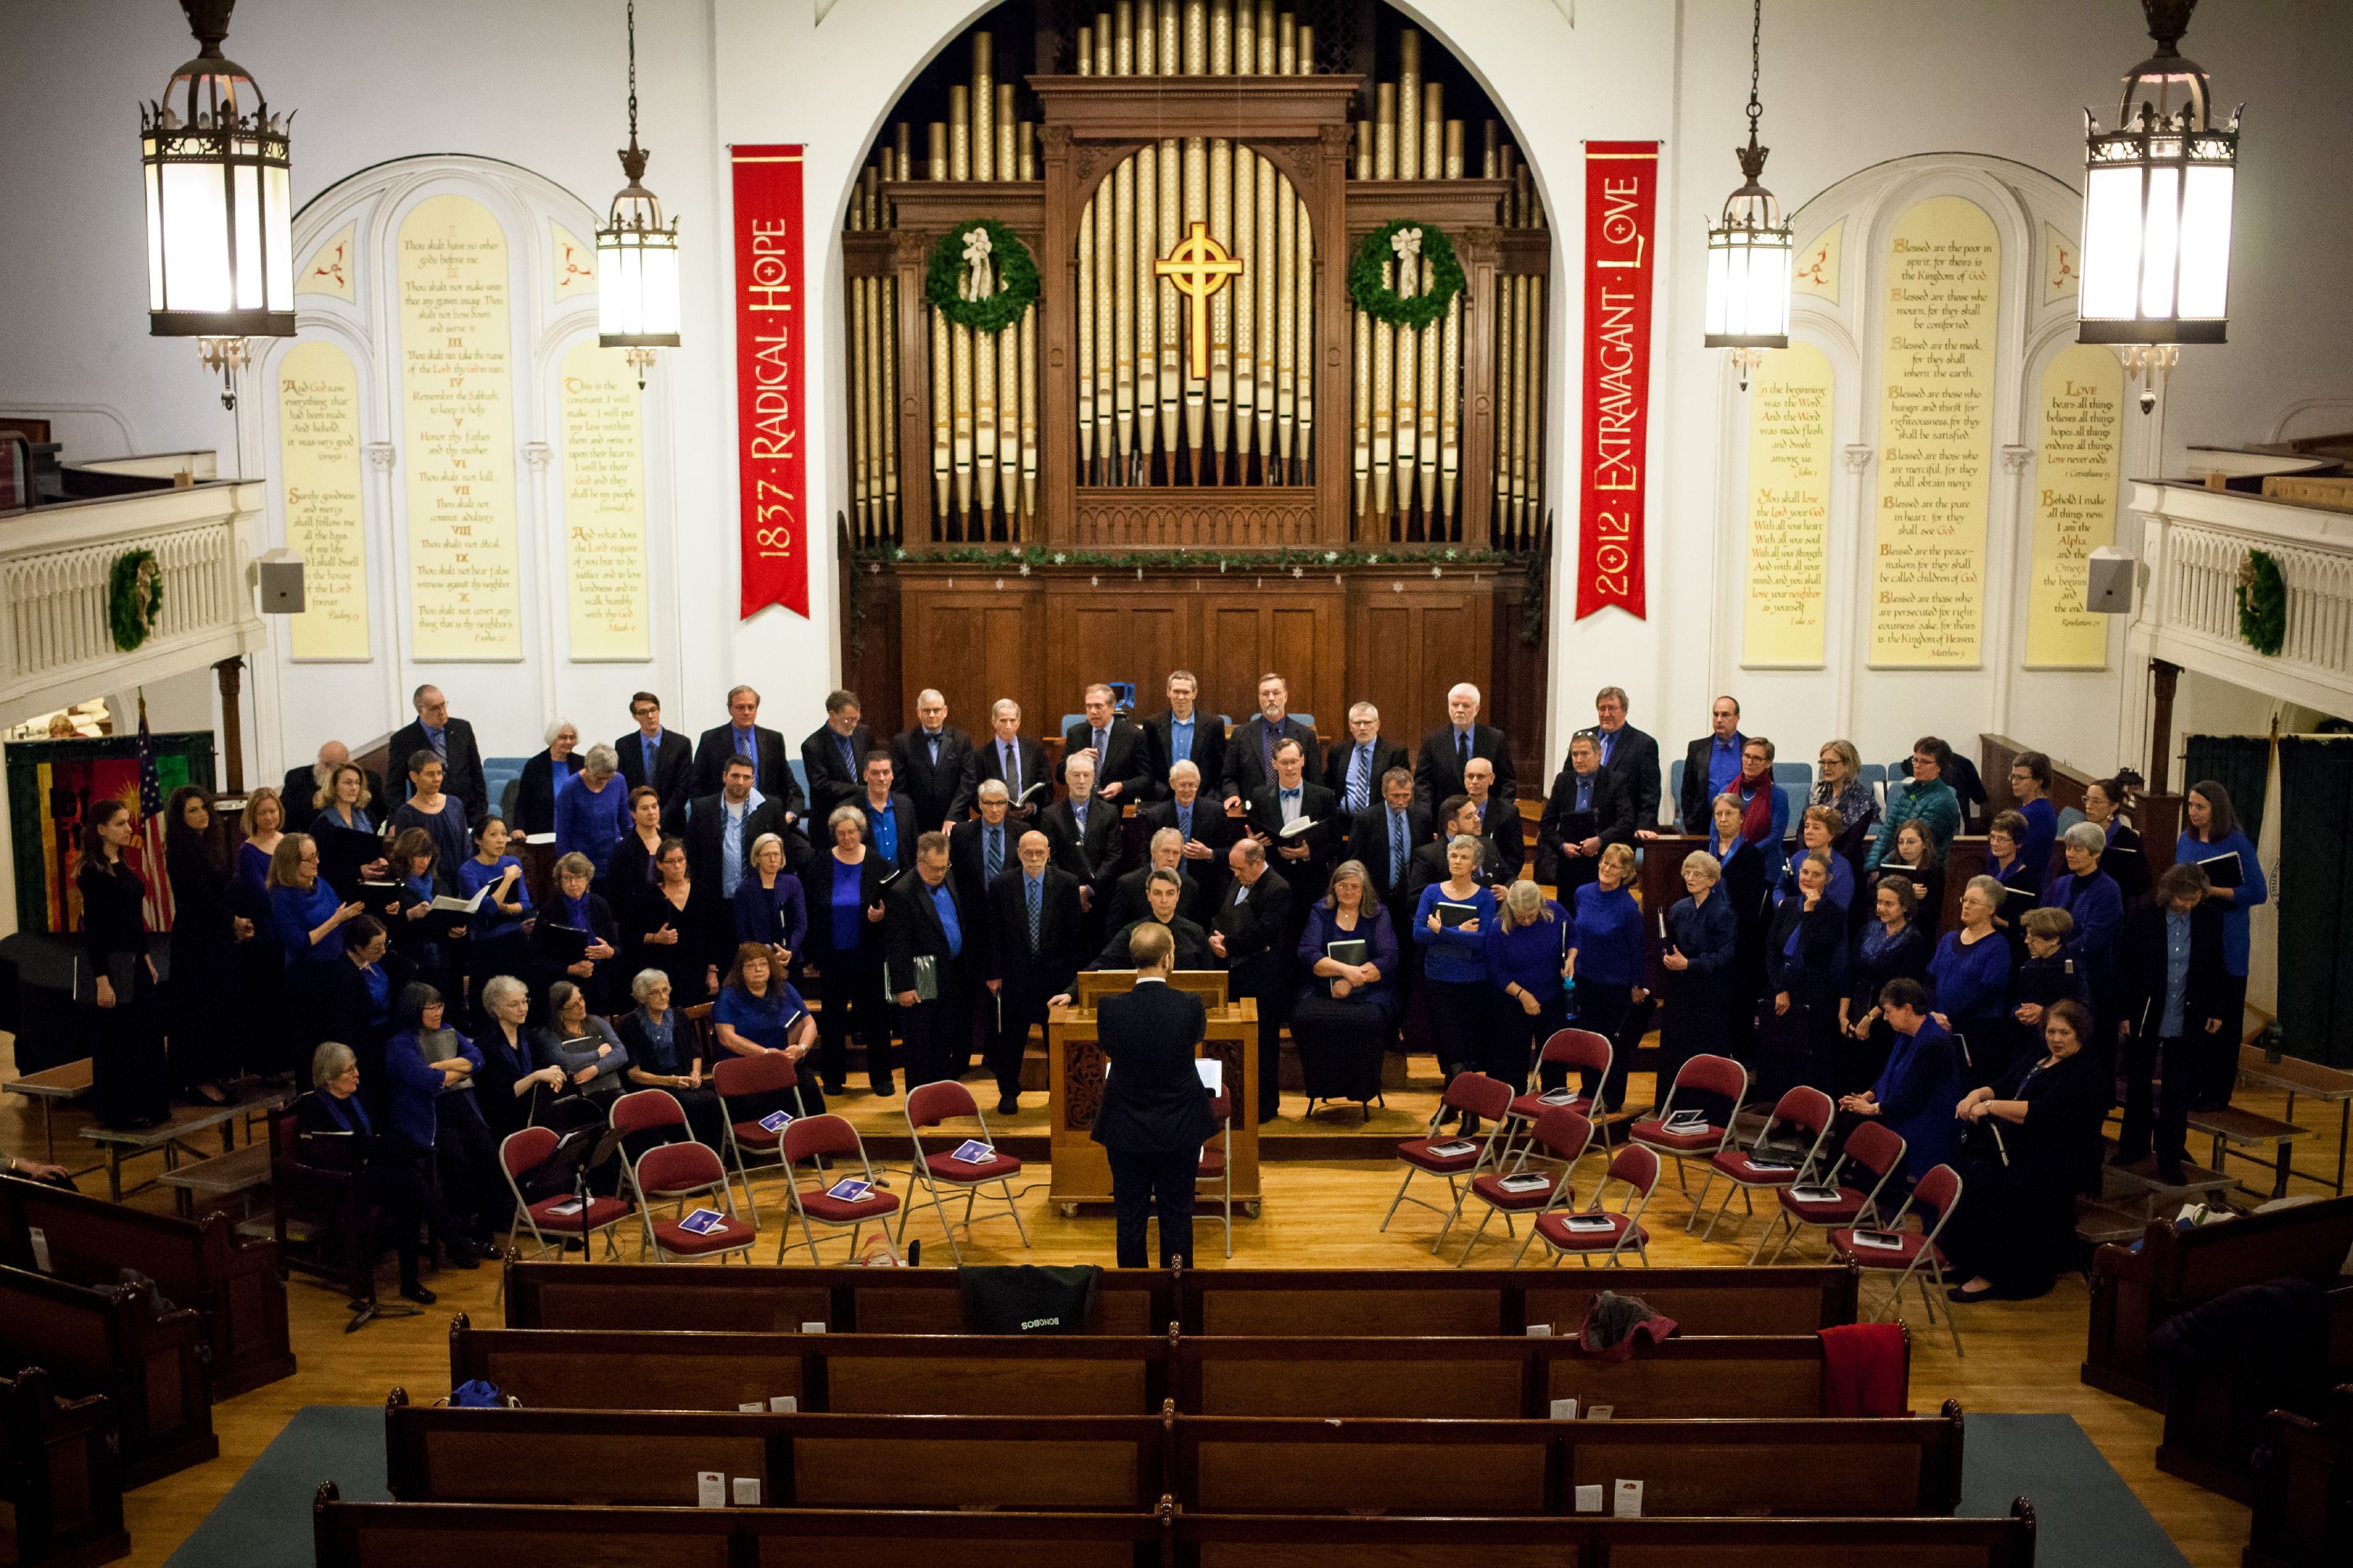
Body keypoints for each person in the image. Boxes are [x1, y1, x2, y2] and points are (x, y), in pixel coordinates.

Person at [1944, 999, 2109, 1301]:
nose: (2056, 1039)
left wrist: (1990, 1106)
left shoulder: (2086, 1071)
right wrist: (1975, 1094)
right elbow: (2004, 1083)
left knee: (1997, 1185)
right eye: (2051, 1032)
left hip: (2060, 1158)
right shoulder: (2039, 1056)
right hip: (2025, 1146)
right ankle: (1969, 1259)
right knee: (1969, 1171)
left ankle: (1996, 1274)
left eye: (2064, 1033)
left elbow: (2043, 1113)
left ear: (2080, 1034)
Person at [294, 1041, 478, 1305]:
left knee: (409, 1195)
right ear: (330, 1077)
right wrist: (373, 1146)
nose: (357, 1074)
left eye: (355, 1067)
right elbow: (324, 1153)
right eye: (349, 1071)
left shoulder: (359, 1097)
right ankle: (452, 1236)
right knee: (409, 1179)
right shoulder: (313, 1106)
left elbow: (379, 1135)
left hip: (372, 1172)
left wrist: (376, 1146)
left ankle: (410, 1282)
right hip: (341, 1182)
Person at [1091, 923, 1217, 1268]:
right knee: (1177, 1217)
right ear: (1167, 958)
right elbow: (1191, 1041)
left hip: (1126, 1128)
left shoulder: (1110, 1010)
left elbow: (1111, 1048)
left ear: (1135, 960)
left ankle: (1135, 1299)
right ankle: (1175, 1296)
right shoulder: (1190, 1005)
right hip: (1179, 1127)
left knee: (1129, 1217)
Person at [2115, 863, 2230, 1182]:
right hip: (2147, 1010)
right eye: (2182, 899)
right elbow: (2125, 967)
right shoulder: (2143, 915)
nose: (2187, 905)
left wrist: (2217, 1011)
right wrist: (2124, 1013)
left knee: (2177, 1090)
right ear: (2168, 893)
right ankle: (2133, 1147)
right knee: (2138, 1081)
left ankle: (2170, 1159)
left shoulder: (2209, 919)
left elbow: (2217, 967)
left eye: (2194, 899)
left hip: (2187, 1010)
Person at [385, 982, 504, 1247]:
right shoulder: (399, 1044)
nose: (438, 1012)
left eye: (440, 1006)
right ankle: (459, 1238)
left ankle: (483, 1232)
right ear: (414, 1010)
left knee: (492, 1160)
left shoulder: (450, 1031)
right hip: (429, 1116)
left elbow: (479, 1058)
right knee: (460, 1166)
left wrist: (443, 1067)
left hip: (462, 1105)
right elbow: (427, 1080)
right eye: (431, 1008)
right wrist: (460, 1071)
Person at [2176, 778, 2266, 1106]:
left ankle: (2216, 1094)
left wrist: (2211, 891)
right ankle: (2189, 1087)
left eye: (2201, 806)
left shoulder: (2237, 842)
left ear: (2218, 809)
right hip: (2193, 935)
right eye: (2191, 805)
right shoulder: (2185, 839)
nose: (2194, 811)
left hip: (2228, 940)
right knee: (2194, 1020)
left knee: (2223, 1025)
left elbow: (2258, 892)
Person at [78, 799, 166, 1129]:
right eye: (120, 823)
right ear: (101, 830)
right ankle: (120, 1110)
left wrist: (146, 958)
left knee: (145, 1033)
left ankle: (148, 1102)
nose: (129, 829)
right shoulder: (92, 872)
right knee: (120, 1040)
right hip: (112, 963)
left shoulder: (123, 864)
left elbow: (132, 920)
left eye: (128, 822)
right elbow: (96, 931)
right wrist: (101, 978)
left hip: (133, 959)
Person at [984, 830, 1086, 1114]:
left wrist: (1071, 982)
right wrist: (993, 973)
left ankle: (1059, 1092)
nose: (1034, 858)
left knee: (1056, 1040)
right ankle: (1008, 1093)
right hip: (1013, 976)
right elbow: (992, 932)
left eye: (1039, 853)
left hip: (1054, 979)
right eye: (1028, 853)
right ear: (1018, 854)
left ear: (1049, 853)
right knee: (1010, 1040)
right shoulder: (1001, 885)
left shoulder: (1066, 884)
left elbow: (1074, 935)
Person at [1290, 860, 1399, 1113]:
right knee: (1304, 1017)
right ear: (1334, 887)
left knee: (1369, 1021)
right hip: (1322, 989)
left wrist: (1350, 981)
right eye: (1342, 886)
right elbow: (1308, 953)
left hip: (1370, 992)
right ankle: (1321, 1085)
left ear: (1365, 890)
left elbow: (1388, 957)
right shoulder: (1321, 911)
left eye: (1354, 887)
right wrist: (1346, 971)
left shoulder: (1379, 913)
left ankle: (1362, 1087)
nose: (1348, 892)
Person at [164, 784, 248, 1104]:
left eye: (203, 808)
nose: (201, 815)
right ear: (180, 817)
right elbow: (200, 898)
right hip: (196, 937)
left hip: (213, 934)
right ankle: (198, 1079)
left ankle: (212, 1073)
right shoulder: (182, 850)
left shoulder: (206, 843)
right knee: (198, 1008)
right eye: (192, 810)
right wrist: (233, 920)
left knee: (216, 1005)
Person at [802, 805, 893, 1097]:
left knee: (877, 1018)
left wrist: (882, 916)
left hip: (869, 955)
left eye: (852, 832)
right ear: (834, 835)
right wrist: (814, 954)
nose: (847, 838)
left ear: (860, 832)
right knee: (833, 1019)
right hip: (833, 956)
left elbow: (891, 906)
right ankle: (833, 1078)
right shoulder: (820, 864)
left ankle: (881, 1079)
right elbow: (812, 913)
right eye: (841, 833)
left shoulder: (879, 864)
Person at [1838, 977, 1962, 1182]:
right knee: (1852, 1118)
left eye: (1888, 1012)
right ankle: (1837, 1189)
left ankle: (1838, 1192)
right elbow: (1891, 1073)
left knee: (1859, 1125)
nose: (1885, 1018)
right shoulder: (1908, 1033)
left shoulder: (1933, 1043)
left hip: (1922, 1121)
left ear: (1907, 1009)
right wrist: (1869, 1095)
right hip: (1901, 1108)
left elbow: (1915, 1098)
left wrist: (1873, 1108)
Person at [1413, 833, 1497, 1125]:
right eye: (1453, 855)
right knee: (1448, 1043)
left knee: (1465, 1044)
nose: (1457, 861)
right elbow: (1418, 934)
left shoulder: (1485, 897)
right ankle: (1463, 1107)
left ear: (1475, 863)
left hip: (1472, 980)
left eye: (1463, 857)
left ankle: (1459, 1105)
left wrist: (1443, 931)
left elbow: (1482, 941)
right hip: (1438, 978)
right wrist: (1460, 931)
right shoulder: (1431, 893)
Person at [1209, 838, 1293, 1124]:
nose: (1235, 874)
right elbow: (1227, 914)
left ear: (1256, 864)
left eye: (1239, 869)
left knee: (1263, 1044)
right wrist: (1217, 937)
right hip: (1236, 973)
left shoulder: (1278, 888)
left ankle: (1264, 1107)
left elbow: (1264, 932)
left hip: (1263, 979)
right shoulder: (1241, 879)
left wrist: (1229, 945)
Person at [270, 833, 365, 1076]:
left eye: (317, 855)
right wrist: (335, 920)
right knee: (311, 1047)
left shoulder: (322, 885)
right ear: (292, 863)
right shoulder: (282, 897)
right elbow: (298, 943)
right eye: (309, 858)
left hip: (336, 969)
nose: (316, 862)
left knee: (342, 1039)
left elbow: (342, 922)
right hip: (307, 978)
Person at [1758, 849, 1847, 1100]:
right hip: (1780, 987)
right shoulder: (1786, 905)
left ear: (1827, 879)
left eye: (1815, 874)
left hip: (1812, 993)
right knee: (1776, 1056)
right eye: (1804, 872)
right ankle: (1778, 1114)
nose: (1807, 878)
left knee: (1805, 1061)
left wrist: (1809, 912)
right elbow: (1771, 949)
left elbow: (1815, 947)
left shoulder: (1835, 913)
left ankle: (1803, 1121)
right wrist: (1779, 989)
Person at [886, 832, 971, 1090]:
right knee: (920, 1046)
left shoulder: (948, 877)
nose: (940, 873)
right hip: (920, 981)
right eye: (934, 868)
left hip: (951, 974)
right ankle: (920, 1102)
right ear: (919, 862)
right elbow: (897, 944)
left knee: (945, 1041)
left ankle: (940, 1096)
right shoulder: (902, 892)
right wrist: (904, 987)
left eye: (944, 866)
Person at [1566, 843, 1646, 1110]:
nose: (1606, 868)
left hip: (1616, 984)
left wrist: (1637, 984)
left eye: (1614, 865)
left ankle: (1612, 1095)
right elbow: (1577, 932)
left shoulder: (1628, 907)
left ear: (1625, 873)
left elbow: (1637, 948)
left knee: (1613, 1042)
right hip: (1586, 978)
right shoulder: (1583, 893)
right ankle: (1590, 1089)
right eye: (1604, 862)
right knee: (1588, 1037)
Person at [1658, 851, 1737, 1116]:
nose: (1690, 878)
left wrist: (1689, 965)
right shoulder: (1679, 909)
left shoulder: (1723, 913)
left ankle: (1706, 1113)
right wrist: (1668, 958)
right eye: (1687, 872)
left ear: (1712, 880)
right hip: (1681, 991)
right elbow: (1668, 944)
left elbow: (1724, 956)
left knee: (1704, 1050)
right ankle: (1676, 1109)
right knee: (1677, 1050)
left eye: (1697, 874)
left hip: (1709, 993)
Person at [616, 969, 727, 1148]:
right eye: (655, 992)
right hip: (655, 1083)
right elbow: (634, 1074)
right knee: (692, 1104)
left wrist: (696, 1073)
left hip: (684, 1077)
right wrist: (670, 1081)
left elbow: (695, 1052)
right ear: (642, 997)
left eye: (665, 990)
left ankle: (716, 1155)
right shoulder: (630, 1025)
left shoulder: (678, 1016)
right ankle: (692, 1154)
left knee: (713, 1100)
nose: (663, 996)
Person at [1842, 876, 1932, 1097]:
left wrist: (1869, 1019)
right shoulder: (1868, 929)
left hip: (1886, 1017)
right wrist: (1842, 1015)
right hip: (1856, 1007)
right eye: (1879, 902)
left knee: (1872, 1074)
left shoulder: (1914, 939)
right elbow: (1850, 971)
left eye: (1888, 904)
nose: (1881, 908)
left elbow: (1900, 987)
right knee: (1847, 1074)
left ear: (1905, 907)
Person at [711, 943, 824, 1119]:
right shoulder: (729, 996)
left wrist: (801, 1049)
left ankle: (813, 1137)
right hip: (747, 1065)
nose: (758, 969)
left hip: (784, 1060)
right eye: (751, 965)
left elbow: (810, 1024)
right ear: (740, 970)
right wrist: (764, 1054)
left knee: (807, 1083)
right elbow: (726, 1038)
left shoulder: (785, 988)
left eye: (763, 964)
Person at [1486, 879, 1570, 1093]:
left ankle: (1554, 1111)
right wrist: (1523, 995)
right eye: (1519, 916)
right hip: (1513, 1002)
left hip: (1552, 998)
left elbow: (1574, 937)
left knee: (1554, 1059)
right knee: (1514, 1060)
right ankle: (1516, 1114)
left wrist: (1571, 958)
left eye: (1530, 915)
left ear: (1540, 906)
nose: (1525, 920)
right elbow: (1497, 971)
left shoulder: (1555, 911)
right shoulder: (1498, 928)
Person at [1929, 876, 2017, 1081]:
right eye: (1964, 900)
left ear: (1991, 909)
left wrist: (1948, 1016)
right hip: (1941, 1025)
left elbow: (1988, 991)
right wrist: (1934, 1012)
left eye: (1973, 902)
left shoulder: (1998, 946)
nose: (1966, 906)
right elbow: (1931, 979)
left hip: (1977, 1033)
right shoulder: (1949, 938)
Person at [622, 837, 725, 1010]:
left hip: (697, 971)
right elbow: (629, 935)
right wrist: (657, 938)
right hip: (662, 974)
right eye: (670, 861)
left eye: (680, 860)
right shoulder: (647, 896)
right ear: (659, 865)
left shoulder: (701, 891)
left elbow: (713, 936)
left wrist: (712, 971)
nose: (677, 866)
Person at [1245, 737, 1338, 924]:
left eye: (1294, 762)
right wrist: (1255, 844)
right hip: (1274, 881)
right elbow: (1254, 839)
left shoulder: (1323, 796)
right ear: (1274, 764)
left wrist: (1308, 853)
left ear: (1302, 760)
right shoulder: (1260, 796)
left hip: (1311, 882)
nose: (1289, 768)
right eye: (1284, 762)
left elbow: (1335, 843)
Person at [2045, 821, 2126, 1036]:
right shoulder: (2060, 884)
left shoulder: (2108, 889)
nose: (2070, 854)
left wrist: (2056, 954)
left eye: (2077, 849)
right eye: (2068, 848)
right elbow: (2042, 921)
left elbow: (2094, 937)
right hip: (2057, 972)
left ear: (2096, 854)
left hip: (2092, 977)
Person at [1707, 791, 1771, 1060]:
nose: (1722, 819)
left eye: (1728, 814)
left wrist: (1720, 917)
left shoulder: (1751, 855)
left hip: (1738, 942)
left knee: (1738, 1008)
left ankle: (1741, 1068)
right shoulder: (1706, 850)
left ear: (1741, 818)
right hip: (1708, 939)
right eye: (1718, 814)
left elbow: (1749, 903)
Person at [1346, 767, 1429, 968]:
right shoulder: (1366, 819)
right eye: (1395, 796)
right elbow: (1354, 861)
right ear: (1384, 793)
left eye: (1406, 796)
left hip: (1410, 899)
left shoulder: (1421, 818)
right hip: (1377, 898)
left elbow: (1426, 859)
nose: (1401, 801)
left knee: (1407, 955)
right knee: (1377, 952)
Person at [231, 788, 289, 1075]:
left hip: (292, 929)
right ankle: (268, 1065)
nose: (269, 817)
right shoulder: (248, 851)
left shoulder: (289, 843)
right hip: (266, 934)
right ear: (253, 816)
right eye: (263, 812)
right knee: (268, 1001)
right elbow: (260, 893)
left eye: (273, 811)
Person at [473, 973, 570, 1137]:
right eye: (514, 1005)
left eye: (525, 1001)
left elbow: (548, 1069)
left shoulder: (531, 1037)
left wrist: (555, 1076)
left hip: (535, 1113)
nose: (523, 1008)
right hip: (504, 1123)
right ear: (496, 1010)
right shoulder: (485, 1046)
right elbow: (499, 1098)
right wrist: (536, 1077)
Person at [1537, 731, 1633, 894]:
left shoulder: (1616, 781)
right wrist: (1562, 845)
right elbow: (1546, 823)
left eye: (1584, 754)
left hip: (1602, 863)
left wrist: (1600, 840)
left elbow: (1626, 822)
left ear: (1598, 755)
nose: (1578, 760)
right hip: (1568, 863)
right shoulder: (1563, 781)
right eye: (1574, 754)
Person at [455, 818, 530, 1020]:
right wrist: (507, 880)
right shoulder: (468, 870)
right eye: (493, 835)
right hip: (485, 945)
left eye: (504, 834)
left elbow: (524, 905)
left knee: (520, 1000)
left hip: (515, 940)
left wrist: (501, 906)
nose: (501, 840)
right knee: (489, 1007)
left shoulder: (513, 863)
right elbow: (485, 910)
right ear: (478, 840)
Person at [686, 754, 787, 900]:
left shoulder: (771, 807)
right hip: (714, 898)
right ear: (724, 776)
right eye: (735, 776)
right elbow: (691, 851)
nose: (740, 782)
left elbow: (784, 852)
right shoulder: (703, 808)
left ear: (753, 780)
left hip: (758, 896)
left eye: (746, 777)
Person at [693, 683, 802, 817]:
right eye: (740, 707)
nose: (746, 712)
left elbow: (788, 785)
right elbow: (696, 786)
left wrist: (790, 815)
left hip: (765, 817)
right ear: (730, 710)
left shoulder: (773, 740)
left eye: (751, 707)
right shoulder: (711, 740)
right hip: (724, 817)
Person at [1044, 751, 1126, 926]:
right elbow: (1050, 858)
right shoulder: (1051, 815)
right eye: (1076, 775)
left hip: (1101, 895)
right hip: (1064, 897)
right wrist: (1074, 890)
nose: (1081, 780)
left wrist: (1089, 890)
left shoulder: (1109, 813)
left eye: (1086, 775)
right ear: (1066, 777)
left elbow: (1114, 857)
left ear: (1093, 777)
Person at [1141, 759, 1236, 909]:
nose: (1187, 790)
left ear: (1198, 785)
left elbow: (1231, 851)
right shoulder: (1156, 815)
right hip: (1164, 890)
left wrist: (1210, 854)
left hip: (1205, 892)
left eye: (1192, 785)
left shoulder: (1215, 812)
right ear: (1172, 784)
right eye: (1182, 785)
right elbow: (1146, 855)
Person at [387, 685, 488, 824]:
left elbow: (477, 774)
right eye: (435, 708)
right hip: (427, 817)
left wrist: (481, 813)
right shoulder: (403, 739)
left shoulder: (462, 728)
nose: (442, 712)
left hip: (468, 815)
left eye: (443, 705)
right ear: (421, 710)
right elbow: (395, 788)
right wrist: (397, 821)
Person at [530, 852, 619, 1011]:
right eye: (567, 878)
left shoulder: (600, 905)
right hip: (562, 984)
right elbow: (536, 957)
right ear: (559, 880)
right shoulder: (549, 909)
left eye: (578, 877)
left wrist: (610, 952)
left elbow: (617, 946)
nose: (573, 883)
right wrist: (570, 969)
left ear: (587, 878)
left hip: (597, 981)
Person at [382, 827, 463, 1000]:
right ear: (405, 856)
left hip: (440, 961)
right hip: (409, 961)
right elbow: (385, 927)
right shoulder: (392, 885)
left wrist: (455, 929)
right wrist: (410, 914)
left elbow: (448, 914)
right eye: (419, 856)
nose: (424, 862)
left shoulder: (436, 882)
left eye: (428, 856)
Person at [1413, 682, 1515, 816]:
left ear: (1476, 709)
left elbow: (1507, 782)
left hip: (1486, 817)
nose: (1460, 710)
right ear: (1449, 707)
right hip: (1446, 818)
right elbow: (1423, 784)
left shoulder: (1495, 739)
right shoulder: (1432, 741)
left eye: (1466, 706)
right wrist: (1426, 817)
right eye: (1455, 705)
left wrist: (1500, 814)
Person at [534, 979, 634, 1116]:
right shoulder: (549, 1034)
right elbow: (566, 1062)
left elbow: (621, 1054)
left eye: (581, 999)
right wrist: (598, 1053)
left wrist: (596, 1069)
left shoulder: (596, 1022)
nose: (581, 1005)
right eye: (573, 1005)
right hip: (579, 1099)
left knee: (629, 1108)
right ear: (560, 1012)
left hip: (612, 1089)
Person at [1223, 672, 1320, 811]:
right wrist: (1232, 794)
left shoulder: (1306, 736)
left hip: (1296, 810)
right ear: (1259, 698)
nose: (1271, 698)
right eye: (1266, 694)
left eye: (1276, 693)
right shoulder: (1240, 735)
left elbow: (1315, 780)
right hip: (1254, 810)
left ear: (1285, 696)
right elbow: (1228, 777)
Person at [1093, 868, 1217, 971]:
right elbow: (1103, 963)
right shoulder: (1132, 932)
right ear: (1149, 895)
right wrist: (1073, 992)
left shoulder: (1195, 933)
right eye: (1157, 893)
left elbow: (1211, 977)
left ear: (1178, 895)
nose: (1164, 900)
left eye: (1170, 893)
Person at [2009, 906, 2086, 1071]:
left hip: (2057, 1049)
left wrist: (2043, 1012)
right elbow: (2016, 999)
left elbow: (2080, 1009)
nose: (2026, 941)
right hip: (2027, 1040)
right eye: (2027, 936)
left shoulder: (2071, 968)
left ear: (2053, 939)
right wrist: (2018, 1012)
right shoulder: (2030, 965)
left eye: (2033, 938)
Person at [1867, 737, 1962, 868]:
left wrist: (1882, 867)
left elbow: (1914, 844)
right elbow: (1887, 832)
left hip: (1923, 870)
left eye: (1925, 762)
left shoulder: (1943, 801)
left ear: (1940, 767)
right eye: (1915, 760)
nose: (1917, 765)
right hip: (1897, 865)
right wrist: (1872, 865)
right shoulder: (1909, 792)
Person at [952, 699, 1051, 822]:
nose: (1008, 726)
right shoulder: (981, 756)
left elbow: (1047, 788)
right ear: (994, 722)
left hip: (1032, 822)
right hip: (996, 822)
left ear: (1019, 722)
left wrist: (1033, 807)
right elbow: (974, 795)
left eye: (1012, 720)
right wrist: (999, 810)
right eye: (1003, 721)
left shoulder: (1035, 750)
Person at [890, 688, 972, 831]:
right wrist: (910, 819)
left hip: (954, 821)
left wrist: (953, 816)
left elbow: (968, 783)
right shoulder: (902, 743)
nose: (932, 715)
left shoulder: (961, 740)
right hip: (916, 823)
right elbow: (899, 787)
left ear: (945, 711)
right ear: (919, 713)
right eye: (927, 711)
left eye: (936, 710)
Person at [390, 750, 472, 889]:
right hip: (426, 886)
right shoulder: (406, 813)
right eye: (430, 774)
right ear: (414, 776)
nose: (437, 779)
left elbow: (466, 846)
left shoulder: (454, 804)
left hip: (459, 880)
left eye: (439, 773)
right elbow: (405, 859)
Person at [615, 691, 694, 834]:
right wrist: (639, 818)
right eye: (643, 712)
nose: (650, 716)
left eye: (653, 710)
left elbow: (683, 788)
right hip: (636, 825)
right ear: (635, 716)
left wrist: (658, 819)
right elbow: (623, 787)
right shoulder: (624, 746)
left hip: (672, 825)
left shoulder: (680, 744)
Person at [733, 831, 809, 973]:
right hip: (757, 962)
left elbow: (801, 924)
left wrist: (790, 950)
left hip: (790, 957)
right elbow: (743, 931)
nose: (773, 859)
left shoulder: (793, 883)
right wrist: (764, 956)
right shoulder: (744, 890)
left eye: (777, 854)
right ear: (757, 857)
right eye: (767, 855)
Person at [1591, 686, 1663, 835]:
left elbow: (1650, 792)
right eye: (1602, 708)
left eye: (1612, 708)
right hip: (1586, 825)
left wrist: (1645, 826)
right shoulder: (1584, 738)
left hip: (1622, 828)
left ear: (1624, 711)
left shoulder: (1643, 744)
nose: (1606, 714)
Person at [1407, 795, 1504, 904]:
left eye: (1476, 814)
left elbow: (1508, 876)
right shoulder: (1428, 856)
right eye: (1469, 817)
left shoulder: (1488, 845)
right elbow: (1416, 899)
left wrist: (1508, 891)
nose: (1478, 819)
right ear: (1452, 825)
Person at [801, 689, 877, 824]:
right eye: (848, 720)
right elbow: (822, 785)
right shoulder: (813, 745)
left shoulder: (863, 733)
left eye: (856, 718)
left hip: (865, 816)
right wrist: (862, 790)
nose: (854, 724)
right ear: (832, 715)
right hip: (831, 817)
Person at [553, 744, 629, 879]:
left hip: (613, 861)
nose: (604, 782)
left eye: (609, 777)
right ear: (587, 767)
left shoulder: (618, 781)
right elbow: (563, 835)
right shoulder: (569, 789)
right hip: (582, 866)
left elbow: (626, 824)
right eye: (599, 778)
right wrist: (570, 871)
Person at [1322, 702, 1409, 818]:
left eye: (1367, 723)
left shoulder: (1395, 753)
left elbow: (1401, 789)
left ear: (1377, 725)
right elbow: (1328, 785)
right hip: (1345, 821)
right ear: (1350, 726)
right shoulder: (1338, 751)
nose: (1362, 727)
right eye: (1357, 723)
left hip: (1379, 822)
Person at [1060, 682, 1147, 799]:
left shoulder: (1133, 735)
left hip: (1117, 806)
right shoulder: (1076, 733)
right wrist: (1075, 759)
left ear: (1112, 707)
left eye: (1098, 706)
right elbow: (1060, 777)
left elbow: (1146, 778)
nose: (1093, 712)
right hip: (1083, 803)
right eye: (1089, 706)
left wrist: (1122, 786)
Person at [280, 742, 386, 836]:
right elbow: (285, 818)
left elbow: (381, 813)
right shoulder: (297, 779)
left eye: (356, 783)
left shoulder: (370, 784)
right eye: (326, 764)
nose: (330, 771)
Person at [1676, 696, 1745, 833]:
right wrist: (1690, 821)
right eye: (1716, 714)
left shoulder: (1749, 748)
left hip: (1741, 825)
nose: (1719, 720)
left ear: (1737, 718)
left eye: (1725, 715)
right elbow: (1687, 791)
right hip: (1702, 824)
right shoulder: (1696, 747)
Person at [1107, 828, 1199, 931]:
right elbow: (1114, 931)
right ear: (1153, 852)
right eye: (1166, 851)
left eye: (1176, 853)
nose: (1170, 858)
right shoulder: (1128, 885)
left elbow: (1194, 931)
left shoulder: (1189, 886)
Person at [1731, 736, 1791, 890]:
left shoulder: (1778, 795)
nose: (1750, 762)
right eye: (1747, 756)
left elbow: (1775, 837)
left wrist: (1746, 853)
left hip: (1765, 868)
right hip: (1730, 863)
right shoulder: (1728, 790)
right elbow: (1715, 827)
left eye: (1757, 758)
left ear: (1768, 763)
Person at [1812, 740, 1880, 870]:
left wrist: (1823, 863)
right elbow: (1802, 829)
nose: (1825, 768)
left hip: (1843, 866)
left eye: (1832, 763)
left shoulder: (1862, 800)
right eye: (1823, 762)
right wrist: (1806, 857)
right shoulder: (1817, 789)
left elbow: (1851, 846)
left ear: (1848, 765)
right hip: (1812, 861)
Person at [2083, 772, 2149, 903]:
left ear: (2114, 806)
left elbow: (2142, 883)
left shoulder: (2128, 840)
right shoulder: (2080, 833)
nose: (2088, 806)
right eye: (2087, 799)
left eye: (2095, 801)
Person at [515, 719, 584, 837]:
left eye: (572, 738)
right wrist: (518, 827)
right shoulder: (535, 765)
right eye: (563, 737)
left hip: (576, 832)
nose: (568, 741)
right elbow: (523, 801)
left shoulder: (582, 763)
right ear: (552, 738)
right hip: (542, 833)